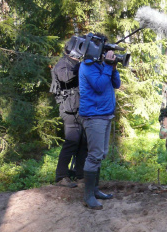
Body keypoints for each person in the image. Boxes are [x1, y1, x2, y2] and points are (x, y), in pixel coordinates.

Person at [79, 40, 121, 210]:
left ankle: (95, 190)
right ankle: (88, 196)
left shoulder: (102, 66)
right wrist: (108, 66)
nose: (109, 54)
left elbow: (116, 84)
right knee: (94, 154)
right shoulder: (87, 66)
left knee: (101, 154)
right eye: (107, 51)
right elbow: (98, 86)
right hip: (94, 116)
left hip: (105, 114)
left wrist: (113, 67)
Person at [50, 37, 88, 188]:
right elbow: (66, 77)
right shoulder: (62, 65)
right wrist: (83, 65)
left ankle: (80, 176)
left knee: (83, 143)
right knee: (71, 142)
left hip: (79, 108)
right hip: (69, 109)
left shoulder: (76, 64)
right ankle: (61, 177)